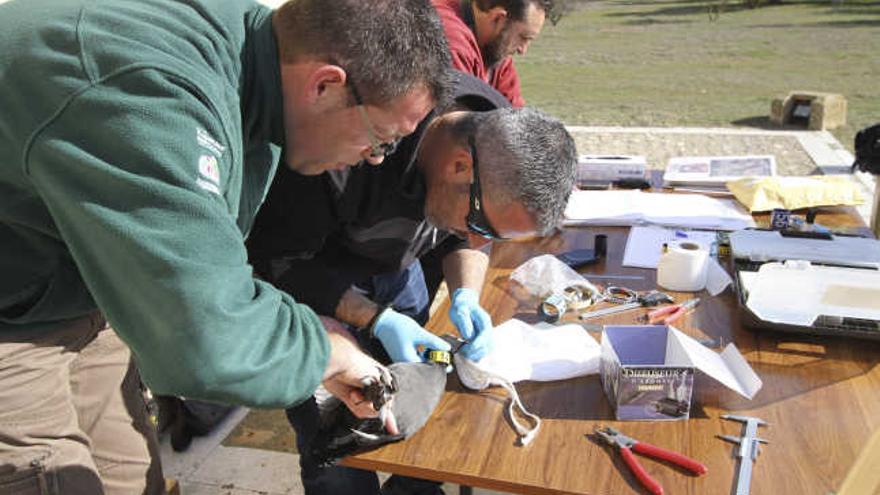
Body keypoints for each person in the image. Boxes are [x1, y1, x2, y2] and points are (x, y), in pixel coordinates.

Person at [0, 0, 452, 492]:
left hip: (75, 284)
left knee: (126, 477)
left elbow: (207, 266)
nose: (375, 161)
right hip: (12, 313)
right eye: (381, 139)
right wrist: (326, 350)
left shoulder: (258, 65)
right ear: (324, 85)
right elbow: (198, 341)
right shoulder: (149, 90)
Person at [246, 73, 578, 495]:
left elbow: (465, 239)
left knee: (423, 415)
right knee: (335, 445)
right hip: (313, 300)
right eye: (480, 224)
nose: (481, 241)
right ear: (460, 165)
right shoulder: (353, 143)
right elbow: (282, 265)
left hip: (398, 277)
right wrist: (376, 319)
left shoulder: (488, 125)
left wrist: (465, 294)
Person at [432, 0, 558, 107]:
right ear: (497, 18)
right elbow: (459, 128)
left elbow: (516, 115)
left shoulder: (496, 49)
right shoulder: (452, 43)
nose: (523, 50)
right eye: (523, 37)